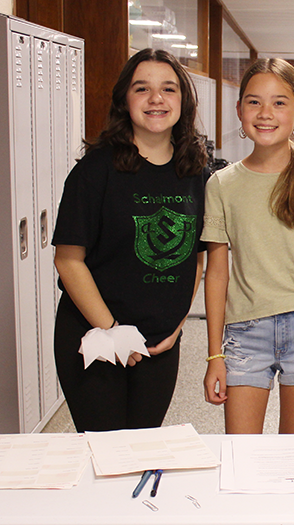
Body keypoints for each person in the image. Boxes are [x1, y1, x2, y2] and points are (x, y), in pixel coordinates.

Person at [52, 48, 208, 432]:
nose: (157, 99)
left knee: (143, 449)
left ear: (183, 100)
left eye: (168, 89)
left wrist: (176, 325)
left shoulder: (195, 171)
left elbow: (197, 257)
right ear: (125, 100)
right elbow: (68, 259)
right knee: (105, 457)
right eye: (142, 89)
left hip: (160, 345)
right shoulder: (95, 170)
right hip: (96, 337)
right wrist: (113, 330)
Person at [202, 58, 294, 434]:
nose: (266, 113)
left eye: (279, 102)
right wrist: (215, 354)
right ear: (239, 110)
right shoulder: (221, 185)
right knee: (242, 455)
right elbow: (216, 275)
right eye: (254, 102)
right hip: (245, 333)